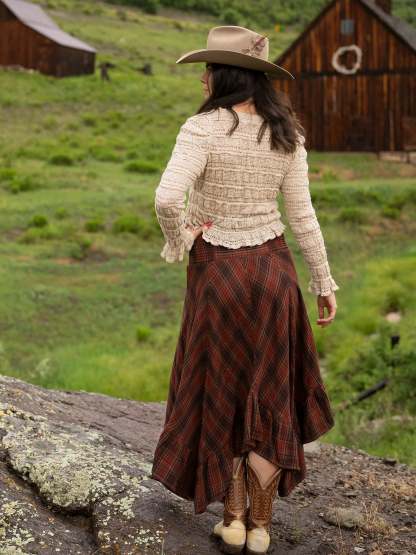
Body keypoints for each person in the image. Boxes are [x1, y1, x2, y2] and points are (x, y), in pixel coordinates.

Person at [150, 25, 339, 555]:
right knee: (270, 393)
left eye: (209, 69)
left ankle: (231, 519)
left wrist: (182, 237)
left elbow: (166, 198)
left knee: (224, 389)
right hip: (274, 275)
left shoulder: (202, 129)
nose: (204, 79)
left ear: (226, 75)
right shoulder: (286, 133)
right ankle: (260, 527)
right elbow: (303, 216)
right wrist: (322, 281)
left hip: (219, 277)